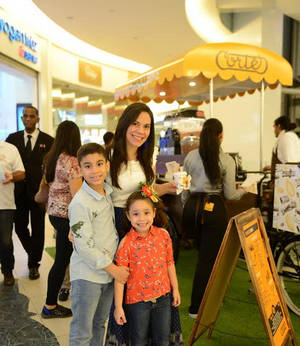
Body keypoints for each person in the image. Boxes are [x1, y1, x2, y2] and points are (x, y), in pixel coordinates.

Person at [106, 102, 180, 345]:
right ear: (125, 124)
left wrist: (166, 188)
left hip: (146, 225)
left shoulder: (147, 156)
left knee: (153, 282)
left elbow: (145, 191)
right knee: (125, 287)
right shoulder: (108, 157)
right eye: (136, 123)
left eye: (147, 126)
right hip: (118, 225)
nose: (141, 130)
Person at [183, 118, 245, 317]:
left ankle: (201, 304)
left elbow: (183, 187)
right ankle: (199, 307)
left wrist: (188, 204)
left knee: (201, 258)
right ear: (220, 136)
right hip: (214, 211)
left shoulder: (191, 156)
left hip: (192, 209)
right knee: (209, 259)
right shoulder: (226, 160)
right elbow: (230, 194)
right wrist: (245, 190)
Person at [68, 143, 129, 345]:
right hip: (87, 276)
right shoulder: (80, 202)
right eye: (88, 166)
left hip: (106, 274)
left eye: (99, 164)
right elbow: (84, 247)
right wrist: (114, 270)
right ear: (80, 170)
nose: (94, 171)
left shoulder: (107, 193)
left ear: (108, 166)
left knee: (99, 324)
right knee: (82, 332)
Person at [114, 187, 180, 346]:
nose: (142, 218)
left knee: (163, 340)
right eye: (135, 214)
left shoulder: (163, 235)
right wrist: (118, 307)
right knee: (138, 340)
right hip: (137, 303)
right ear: (128, 215)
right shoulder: (125, 244)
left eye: (146, 212)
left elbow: (169, 263)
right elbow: (119, 279)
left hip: (163, 298)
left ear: (154, 213)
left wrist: (175, 289)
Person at [6, 105, 54, 280]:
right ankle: (33, 253)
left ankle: (34, 264)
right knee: (19, 227)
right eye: (25, 116)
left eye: (31, 116)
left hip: (39, 193)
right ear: (21, 119)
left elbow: (51, 168)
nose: (28, 119)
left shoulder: (48, 141)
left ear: (37, 119)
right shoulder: (12, 139)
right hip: (17, 193)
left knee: (39, 229)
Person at [41, 120, 82, 319]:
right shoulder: (73, 161)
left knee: (61, 259)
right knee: (61, 261)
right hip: (67, 216)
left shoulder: (51, 157)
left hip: (53, 213)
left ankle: (52, 301)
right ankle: (49, 305)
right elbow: (77, 195)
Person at [0, 140, 25, 286]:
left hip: (5, 204)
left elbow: (21, 173)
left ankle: (8, 271)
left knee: (5, 241)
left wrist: (11, 177)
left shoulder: (10, 149)